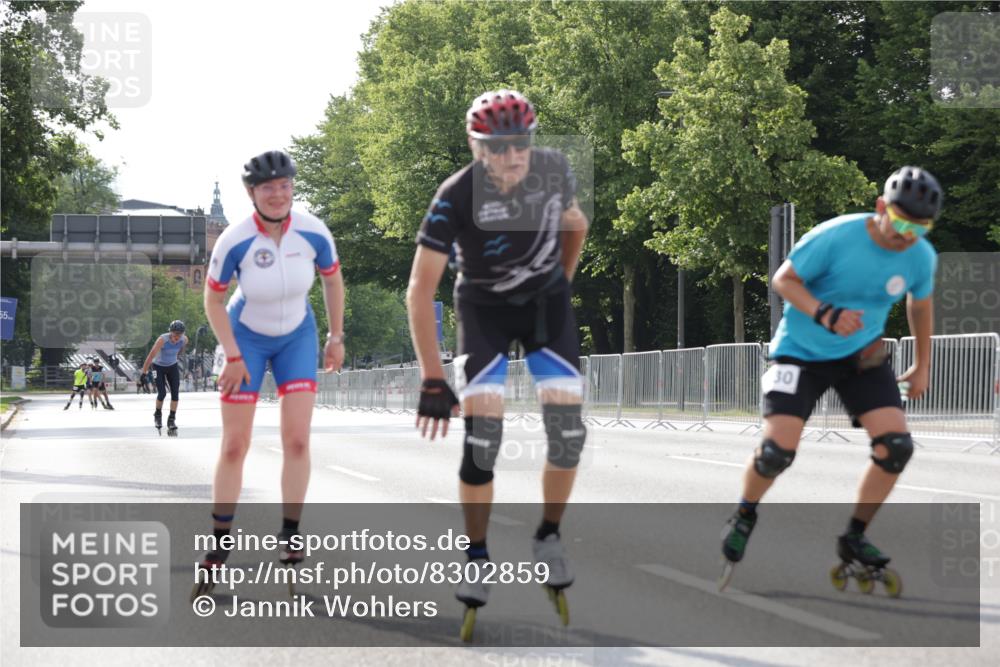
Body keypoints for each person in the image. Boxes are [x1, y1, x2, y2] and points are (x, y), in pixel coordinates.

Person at [406, 90, 589, 636]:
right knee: (482, 438)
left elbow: (575, 224)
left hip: (545, 306)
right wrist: (432, 377)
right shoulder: (455, 195)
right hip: (482, 310)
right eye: (499, 148)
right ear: (476, 146)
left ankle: (548, 536)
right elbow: (419, 291)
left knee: (567, 432)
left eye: (522, 145)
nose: (513, 158)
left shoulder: (554, 168)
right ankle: (477, 553)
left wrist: (561, 280)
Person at [719, 166, 943, 594]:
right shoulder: (836, 236)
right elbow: (783, 279)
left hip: (860, 356)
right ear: (881, 208)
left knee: (896, 447)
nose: (906, 236)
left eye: (919, 228)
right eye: (899, 223)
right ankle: (745, 513)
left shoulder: (919, 256)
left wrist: (924, 362)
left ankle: (855, 535)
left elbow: (920, 304)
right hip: (799, 354)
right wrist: (826, 313)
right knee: (776, 453)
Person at [192, 149, 345, 597]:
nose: (277, 195)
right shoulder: (234, 239)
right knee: (236, 443)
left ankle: (291, 534)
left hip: (297, 335)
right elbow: (213, 300)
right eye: (267, 188)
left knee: (296, 439)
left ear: (292, 187)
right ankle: (220, 541)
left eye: (284, 186)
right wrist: (232, 353)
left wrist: (336, 336)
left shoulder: (314, 231)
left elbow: (333, 280)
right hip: (246, 338)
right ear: (251, 193)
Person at [141, 321, 188, 434]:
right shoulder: (162, 340)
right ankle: (157, 415)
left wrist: (176, 357)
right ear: (170, 332)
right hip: (157, 368)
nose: (177, 337)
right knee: (162, 393)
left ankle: (171, 420)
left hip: (172, 366)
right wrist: (143, 373)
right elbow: (151, 356)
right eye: (175, 334)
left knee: (175, 394)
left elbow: (181, 349)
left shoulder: (184, 339)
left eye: (179, 334)